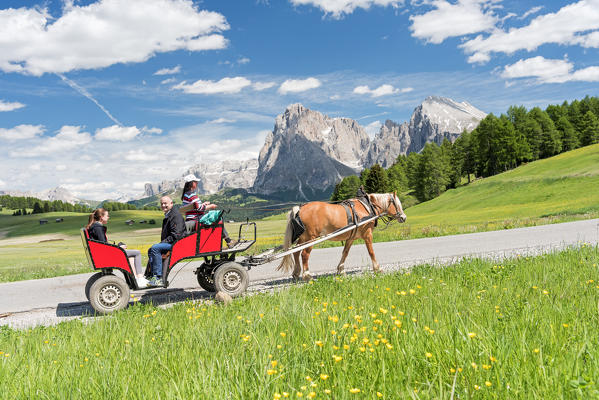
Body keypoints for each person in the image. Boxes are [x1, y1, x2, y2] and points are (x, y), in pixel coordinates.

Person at [86, 208, 147, 286]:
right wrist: (119, 247)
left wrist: (118, 246)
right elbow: (104, 245)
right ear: (101, 217)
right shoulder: (98, 227)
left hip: (100, 254)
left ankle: (135, 278)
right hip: (105, 255)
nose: (108, 217)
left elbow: (102, 244)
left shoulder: (94, 226)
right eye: (107, 216)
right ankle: (140, 278)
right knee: (137, 253)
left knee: (131, 256)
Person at [180, 174, 237, 248]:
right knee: (218, 217)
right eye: (196, 182)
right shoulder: (192, 194)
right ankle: (228, 241)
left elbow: (196, 207)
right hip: (197, 218)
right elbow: (200, 208)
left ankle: (219, 242)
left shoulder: (186, 194)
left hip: (192, 218)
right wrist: (211, 206)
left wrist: (203, 204)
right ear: (192, 183)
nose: (197, 183)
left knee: (214, 217)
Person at [147, 196, 185, 287]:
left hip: (178, 243)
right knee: (150, 249)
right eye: (162, 204)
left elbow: (176, 235)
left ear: (171, 203)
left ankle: (158, 277)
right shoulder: (169, 214)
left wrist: (162, 243)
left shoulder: (175, 216)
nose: (163, 205)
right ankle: (152, 275)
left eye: (165, 203)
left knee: (155, 248)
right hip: (172, 242)